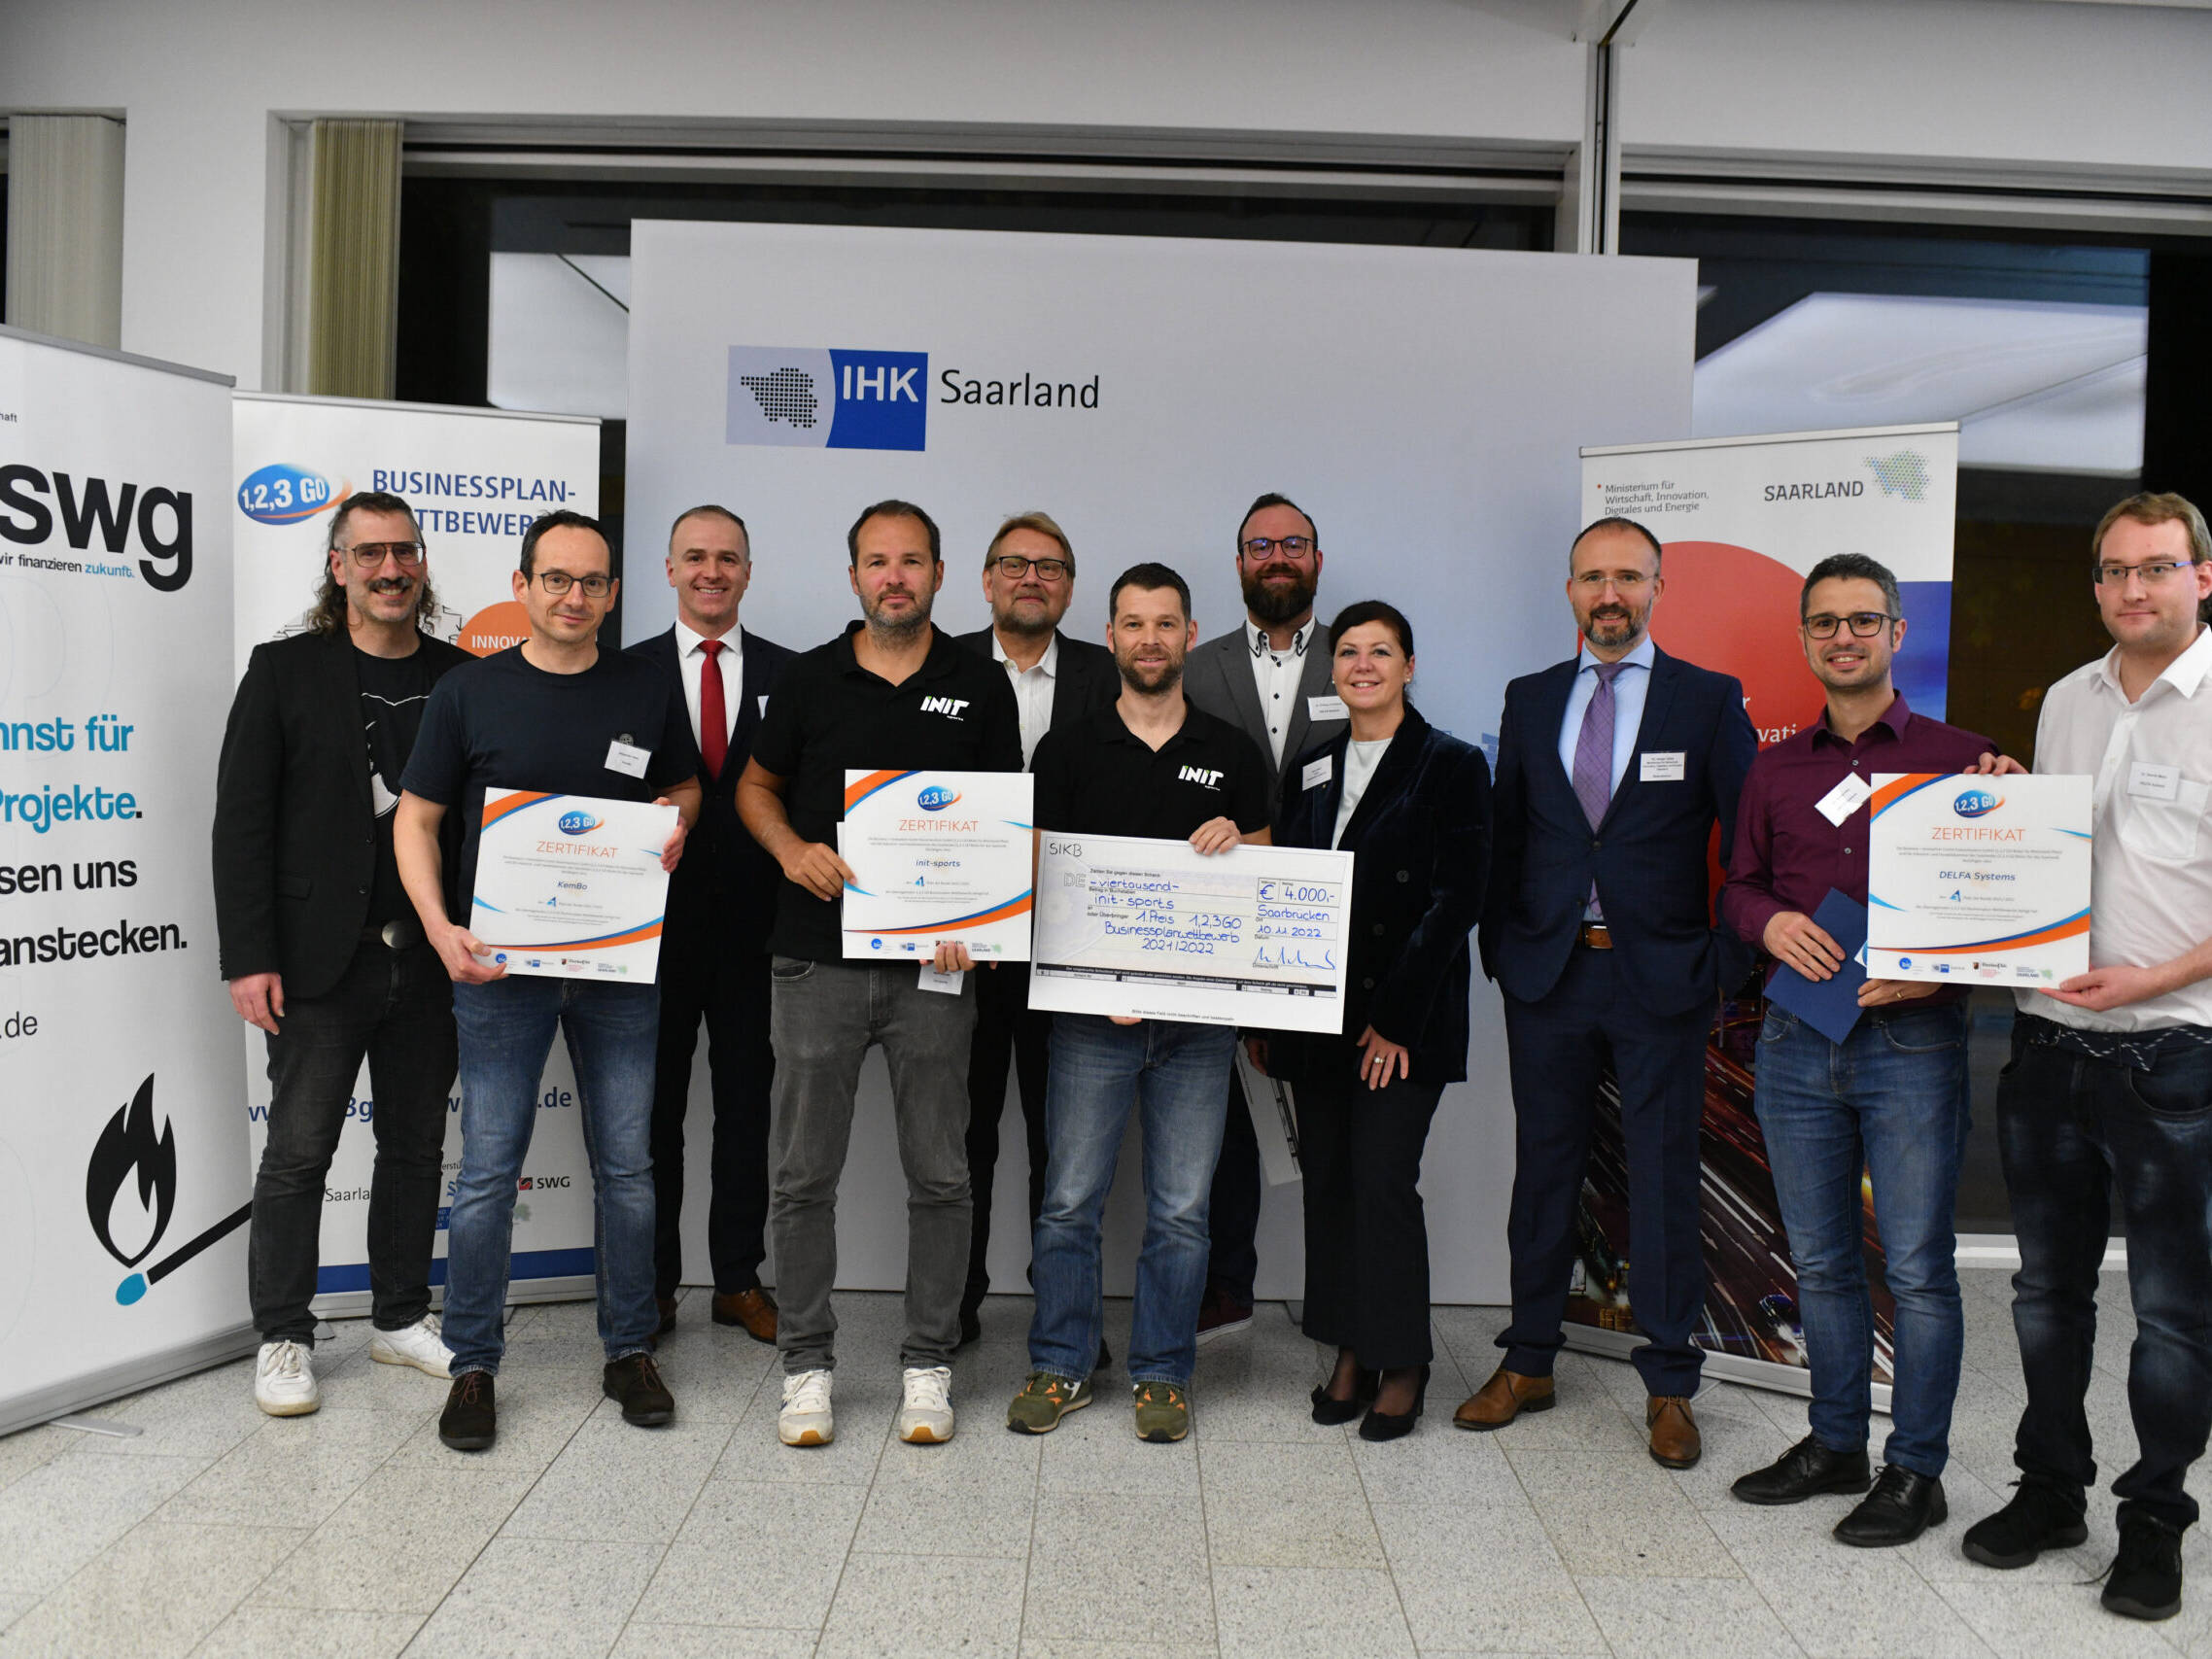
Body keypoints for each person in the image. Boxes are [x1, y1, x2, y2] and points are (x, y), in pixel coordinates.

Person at [395, 509, 701, 1453]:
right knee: (489, 1171)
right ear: (522, 584)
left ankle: (628, 1348)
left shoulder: (646, 687)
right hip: (498, 970)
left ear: (614, 592)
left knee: (628, 1168)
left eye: (593, 581)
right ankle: (473, 1362)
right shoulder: (467, 691)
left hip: (618, 968)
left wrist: (675, 823)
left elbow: (686, 787)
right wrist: (439, 928)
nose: (575, 596)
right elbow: (415, 819)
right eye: (557, 578)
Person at [1958, 492, 2212, 1623]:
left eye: (2153, 567)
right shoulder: (2064, 698)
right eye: (2111, 570)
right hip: (2046, 1046)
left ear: (2200, 577)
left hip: (2173, 1054)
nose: (2129, 588)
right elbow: (2063, 855)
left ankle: (2152, 1520)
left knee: (2170, 1311)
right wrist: (2009, 816)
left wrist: (2148, 980)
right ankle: (2049, 1490)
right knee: (2044, 1293)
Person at [1461, 514, 1756, 1469]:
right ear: (1569, 591)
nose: (1609, 594)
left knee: (1662, 1175)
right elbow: (1507, 830)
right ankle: (1528, 1360)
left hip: (1658, 978)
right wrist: (1500, 944)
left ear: (1658, 589)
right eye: (1592, 577)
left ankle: (1669, 1383)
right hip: (1548, 974)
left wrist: (1722, 958)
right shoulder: (1530, 696)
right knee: (1543, 1168)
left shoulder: (1705, 700)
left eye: (1628, 576)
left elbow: (1748, 838)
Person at [1717, 554, 1993, 1545]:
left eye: (1862, 620)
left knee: (1915, 1268)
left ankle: (1915, 1470)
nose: (1844, 637)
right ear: (1804, 638)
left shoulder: (1966, 760)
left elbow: (2009, 908)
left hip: (1910, 1043)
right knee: (1822, 1260)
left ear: (1896, 633)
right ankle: (1835, 1443)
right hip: (1797, 1039)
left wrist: (1940, 970)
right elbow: (1738, 885)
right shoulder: (1775, 767)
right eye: (1825, 622)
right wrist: (1767, 924)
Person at [737, 499, 1022, 1448]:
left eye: (910, 561)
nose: (893, 577)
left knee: (940, 1174)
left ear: (938, 573)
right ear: (854, 574)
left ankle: (928, 1361)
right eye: (876, 561)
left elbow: (1001, 816)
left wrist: (975, 918)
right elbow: (755, 786)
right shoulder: (808, 678)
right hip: (814, 961)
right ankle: (807, 1366)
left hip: (931, 973)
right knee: (800, 1176)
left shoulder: (980, 684)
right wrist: (790, 851)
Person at [1005, 563, 1273, 1445]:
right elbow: (1043, 884)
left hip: (1198, 1029)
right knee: (1068, 1200)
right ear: (1110, 635)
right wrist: (1101, 985)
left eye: (1165, 623)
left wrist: (1241, 846)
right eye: (1133, 623)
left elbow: (1263, 881)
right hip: (1091, 1023)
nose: (1149, 638)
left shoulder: (1233, 751)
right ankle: (1061, 1360)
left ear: (1189, 635)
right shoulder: (1067, 751)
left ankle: (1163, 1371)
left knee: (1182, 1209)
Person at [214, 490, 470, 1415]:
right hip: (319, 964)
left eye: (404, 552)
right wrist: (248, 956)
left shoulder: (461, 676)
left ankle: (399, 1317)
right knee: (298, 1155)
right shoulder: (283, 670)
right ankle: (284, 1335)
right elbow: (242, 822)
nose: (390, 569)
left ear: (423, 564)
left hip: (430, 959)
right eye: (370, 554)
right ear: (339, 567)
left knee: (414, 1147)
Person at [1265, 600, 1490, 1440]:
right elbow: (1285, 891)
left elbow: (1457, 899)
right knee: (1329, 1183)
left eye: (1381, 651)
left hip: (1404, 1020)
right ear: (1332, 669)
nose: (1363, 665)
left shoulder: (1452, 763)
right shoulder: (1310, 766)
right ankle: (1351, 1346)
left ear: (1409, 665)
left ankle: (1405, 1359)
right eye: (1349, 651)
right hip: (1316, 1019)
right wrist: (1271, 1011)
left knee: (1383, 1181)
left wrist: (1394, 1020)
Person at [1181, 491, 1348, 1338]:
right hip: (1220, 919)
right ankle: (1226, 1282)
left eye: (1293, 543)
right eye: (1260, 545)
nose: (1277, 557)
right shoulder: (1194, 666)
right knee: (1225, 1114)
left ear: (1316, 558)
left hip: (1328, 924)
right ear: (1240, 561)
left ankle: (1338, 1298)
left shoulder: (1358, 656)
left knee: (1331, 1115)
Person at [627, 504, 793, 1346]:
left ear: (748, 572)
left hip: (758, 933)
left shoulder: (793, 674)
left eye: (728, 557)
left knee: (747, 1109)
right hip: (647, 934)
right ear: (669, 569)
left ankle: (737, 1279)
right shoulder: (624, 673)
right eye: (695, 556)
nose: (711, 571)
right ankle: (654, 1285)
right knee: (652, 1115)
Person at [954, 511, 1118, 1347]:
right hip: (963, 945)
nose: (1030, 577)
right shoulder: (940, 666)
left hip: (1071, 943)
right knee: (963, 1135)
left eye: (1049, 566)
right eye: (1014, 564)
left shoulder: (1109, 673)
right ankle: (954, 1303)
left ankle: (1066, 1315)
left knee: (1067, 1146)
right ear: (986, 580)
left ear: (1070, 587)